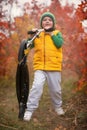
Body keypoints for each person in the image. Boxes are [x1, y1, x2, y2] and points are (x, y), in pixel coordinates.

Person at [23, 12, 65, 121]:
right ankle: (29, 110)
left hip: (54, 67)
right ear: (42, 23)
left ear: (53, 23)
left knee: (56, 90)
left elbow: (59, 44)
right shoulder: (38, 35)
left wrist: (51, 34)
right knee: (36, 87)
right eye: (45, 20)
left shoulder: (57, 33)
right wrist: (31, 36)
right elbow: (27, 47)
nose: (47, 21)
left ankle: (57, 106)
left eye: (49, 20)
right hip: (40, 67)